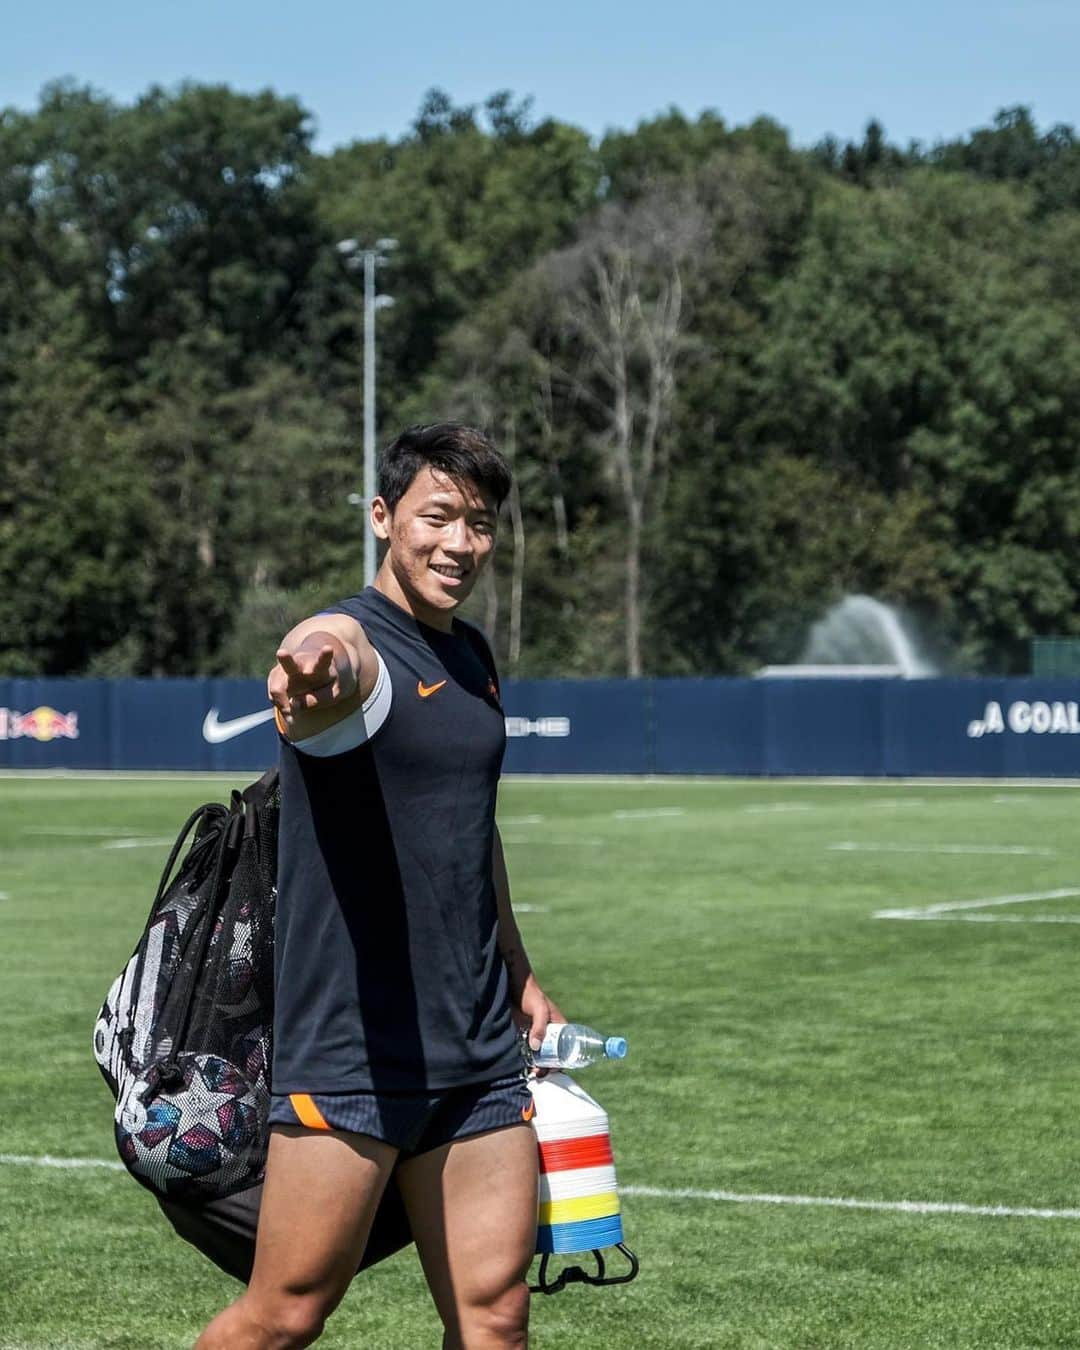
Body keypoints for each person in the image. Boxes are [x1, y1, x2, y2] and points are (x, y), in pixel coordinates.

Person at [196, 423, 564, 1350]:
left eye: (479, 524)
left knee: (497, 1319)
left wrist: (518, 968)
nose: (460, 544)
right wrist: (309, 667)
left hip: (477, 1045)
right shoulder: (354, 642)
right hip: (355, 1047)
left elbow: (474, 831)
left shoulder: (472, 656)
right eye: (438, 516)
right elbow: (324, 653)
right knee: (286, 1314)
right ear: (382, 518)